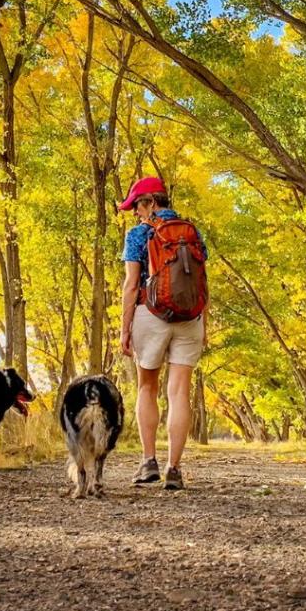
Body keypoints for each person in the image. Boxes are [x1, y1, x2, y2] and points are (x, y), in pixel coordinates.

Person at [118, 176, 207, 490]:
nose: (136, 214)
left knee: (147, 388)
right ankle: (174, 469)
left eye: (137, 207)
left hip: (150, 314)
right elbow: (201, 281)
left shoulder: (139, 234)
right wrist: (202, 323)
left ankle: (148, 462)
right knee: (179, 392)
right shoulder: (192, 231)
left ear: (151, 202)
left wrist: (124, 328)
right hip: (190, 317)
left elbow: (131, 286)